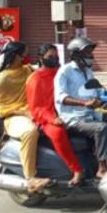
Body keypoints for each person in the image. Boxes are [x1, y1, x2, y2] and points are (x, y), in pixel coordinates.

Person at [0, 41, 52, 193]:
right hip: (13, 116)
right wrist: (23, 112)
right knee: (30, 132)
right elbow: (0, 109)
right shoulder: (2, 78)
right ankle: (30, 179)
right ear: (17, 56)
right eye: (25, 54)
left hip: (34, 111)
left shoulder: (27, 69)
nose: (27, 57)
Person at [54, 37, 107, 178]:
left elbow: (97, 90)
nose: (91, 55)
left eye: (91, 52)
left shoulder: (88, 72)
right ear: (76, 54)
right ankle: (102, 168)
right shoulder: (65, 71)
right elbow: (60, 97)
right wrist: (84, 103)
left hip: (89, 115)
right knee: (101, 128)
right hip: (73, 118)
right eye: (87, 52)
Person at [27, 44, 84, 186]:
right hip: (47, 118)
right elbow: (37, 108)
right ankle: (76, 169)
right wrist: (53, 119)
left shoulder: (62, 73)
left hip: (69, 111)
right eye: (50, 57)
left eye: (56, 56)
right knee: (58, 133)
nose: (54, 59)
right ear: (41, 58)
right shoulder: (36, 78)